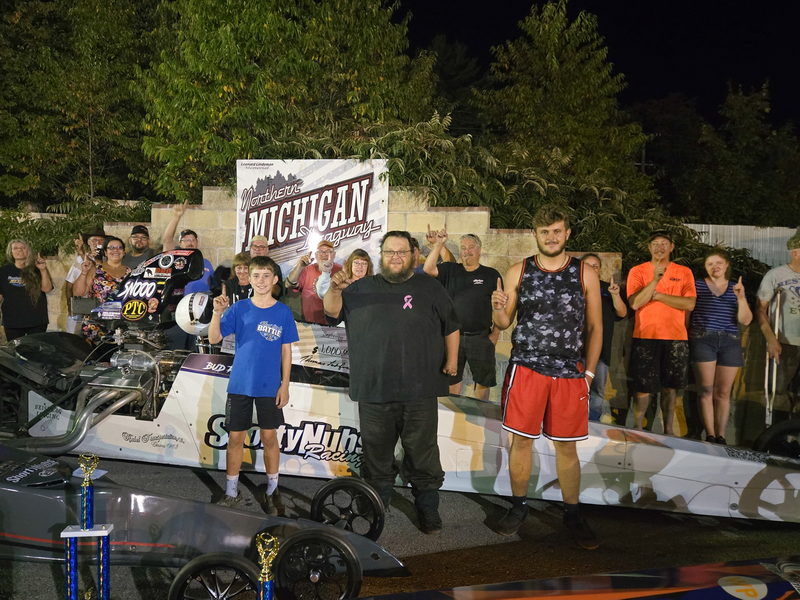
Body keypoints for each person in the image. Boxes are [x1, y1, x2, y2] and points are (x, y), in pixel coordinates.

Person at [323, 231, 460, 534]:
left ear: (413, 254)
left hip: (420, 388)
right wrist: (336, 288)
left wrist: (452, 362)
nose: (395, 257)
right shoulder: (360, 288)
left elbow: (451, 326)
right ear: (380, 255)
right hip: (374, 387)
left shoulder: (430, 287)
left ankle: (427, 507)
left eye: (401, 252)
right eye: (389, 252)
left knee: (422, 450)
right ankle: (377, 503)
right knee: (377, 452)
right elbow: (331, 311)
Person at [490, 204, 602, 549]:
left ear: (567, 233)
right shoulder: (518, 271)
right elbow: (504, 323)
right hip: (526, 368)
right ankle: (519, 506)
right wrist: (497, 308)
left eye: (556, 231)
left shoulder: (585, 272)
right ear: (535, 235)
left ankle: (572, 513)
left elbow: (596, 327)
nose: (550, 237)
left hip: (570, 374)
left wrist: (589, 374)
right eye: (544, 232)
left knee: (566, 448)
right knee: (521, 442)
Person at [208, 256, 298, 510]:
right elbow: (214, 338)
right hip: (240, 385)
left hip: (270, 386)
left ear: (275, 280)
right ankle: (231, 490)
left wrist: (285, 384)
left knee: (269, 437)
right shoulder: (238, 309)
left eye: (266, 276)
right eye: (256, 275)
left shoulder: (282, 311)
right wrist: (217, 313)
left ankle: (272, 488)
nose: (261, 280)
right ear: (248, 278)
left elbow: (286, 352)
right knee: (235, 438)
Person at [627, 232, 696, 435]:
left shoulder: (684, 272)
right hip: (645, 336)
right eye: (655, 244)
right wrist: (654, 282)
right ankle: (638, 427)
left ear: (672, 247)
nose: (659, 247)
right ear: (649, 248)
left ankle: (668, 430)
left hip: (676, 338)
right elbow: (636, 303)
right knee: (643, 387)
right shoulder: (637, 271)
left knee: (671, 387)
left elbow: (689, 303)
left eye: (664, 244)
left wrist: (656, 295)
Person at [424, 231, 502, 400]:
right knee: (451, 380)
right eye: (464, 248)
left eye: (471, 247)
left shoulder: (491, 274)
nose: (467, 251)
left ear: (479, 250)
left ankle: (481, 418)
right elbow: (428, 269)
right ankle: (453, 418)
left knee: (483, 382)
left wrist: (495, 334)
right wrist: (438, 244)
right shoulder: (450, 269)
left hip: (480, 338)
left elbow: (501, 306)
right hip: (453, 337)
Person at [690, 249, 753, 444]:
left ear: (726, 265)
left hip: (729, 340)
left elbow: (746, 320)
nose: (714, 267)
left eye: (718, 263)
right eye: (710, 264)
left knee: (723, 392)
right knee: (706, 390)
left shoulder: (736, 288)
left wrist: (741, 297)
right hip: (703, 338)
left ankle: (721, 435)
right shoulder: (697, 285)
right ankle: (709, 434)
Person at [756, 230, 800, 420]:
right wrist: (770, 339)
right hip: (784, 343)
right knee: (779, 393)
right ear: (795, 251)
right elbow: (760, 309)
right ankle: (776, 435)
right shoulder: (776, 275)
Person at [580, 254, 628, 423]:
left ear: (599, 270)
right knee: (572, 390)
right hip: (574, 351)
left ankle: (591, 425)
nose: (592, 269)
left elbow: (622, 313)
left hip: (600, 352)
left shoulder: (608, 289)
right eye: (588, 265)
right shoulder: (571, 288)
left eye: (595, 266)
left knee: (596, 391)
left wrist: (615, 295)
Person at [72, 236, 130, 345]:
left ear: (124, 252)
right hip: (95, 326)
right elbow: (78, 293)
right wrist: (84, 272)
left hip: (121, 327)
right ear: (105, 252)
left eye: (119, 248)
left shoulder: (131, 272)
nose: (115, 250)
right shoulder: (96, 270)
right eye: (111, 248)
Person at [0, 239, 53, 341]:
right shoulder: (3, 271)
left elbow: (47, 289)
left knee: (35, 353)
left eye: (23, 248)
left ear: (28, 251)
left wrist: (43, 270)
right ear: (11, 252)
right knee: (16, 353)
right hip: (12, 321)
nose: (19, 250)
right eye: (15, 248)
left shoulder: (37, 268)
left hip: (36, 321)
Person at [286, 239, 342, 324]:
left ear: (334, 255)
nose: (324, 255)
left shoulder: (341, 271)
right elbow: (289, 285)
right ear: (316, 255)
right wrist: (300, 266)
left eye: (328, 251)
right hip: (309, 324)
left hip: (334, 325)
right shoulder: (308, 269)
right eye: (321, 252)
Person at [64, 229, 106, 335]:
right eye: (94, 240)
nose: (98, 243)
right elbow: (69, 286)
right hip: (81, 307)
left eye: (101, 240)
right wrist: (71, 308)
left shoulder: (109, 259)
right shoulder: (80, 261)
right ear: (88, 242)